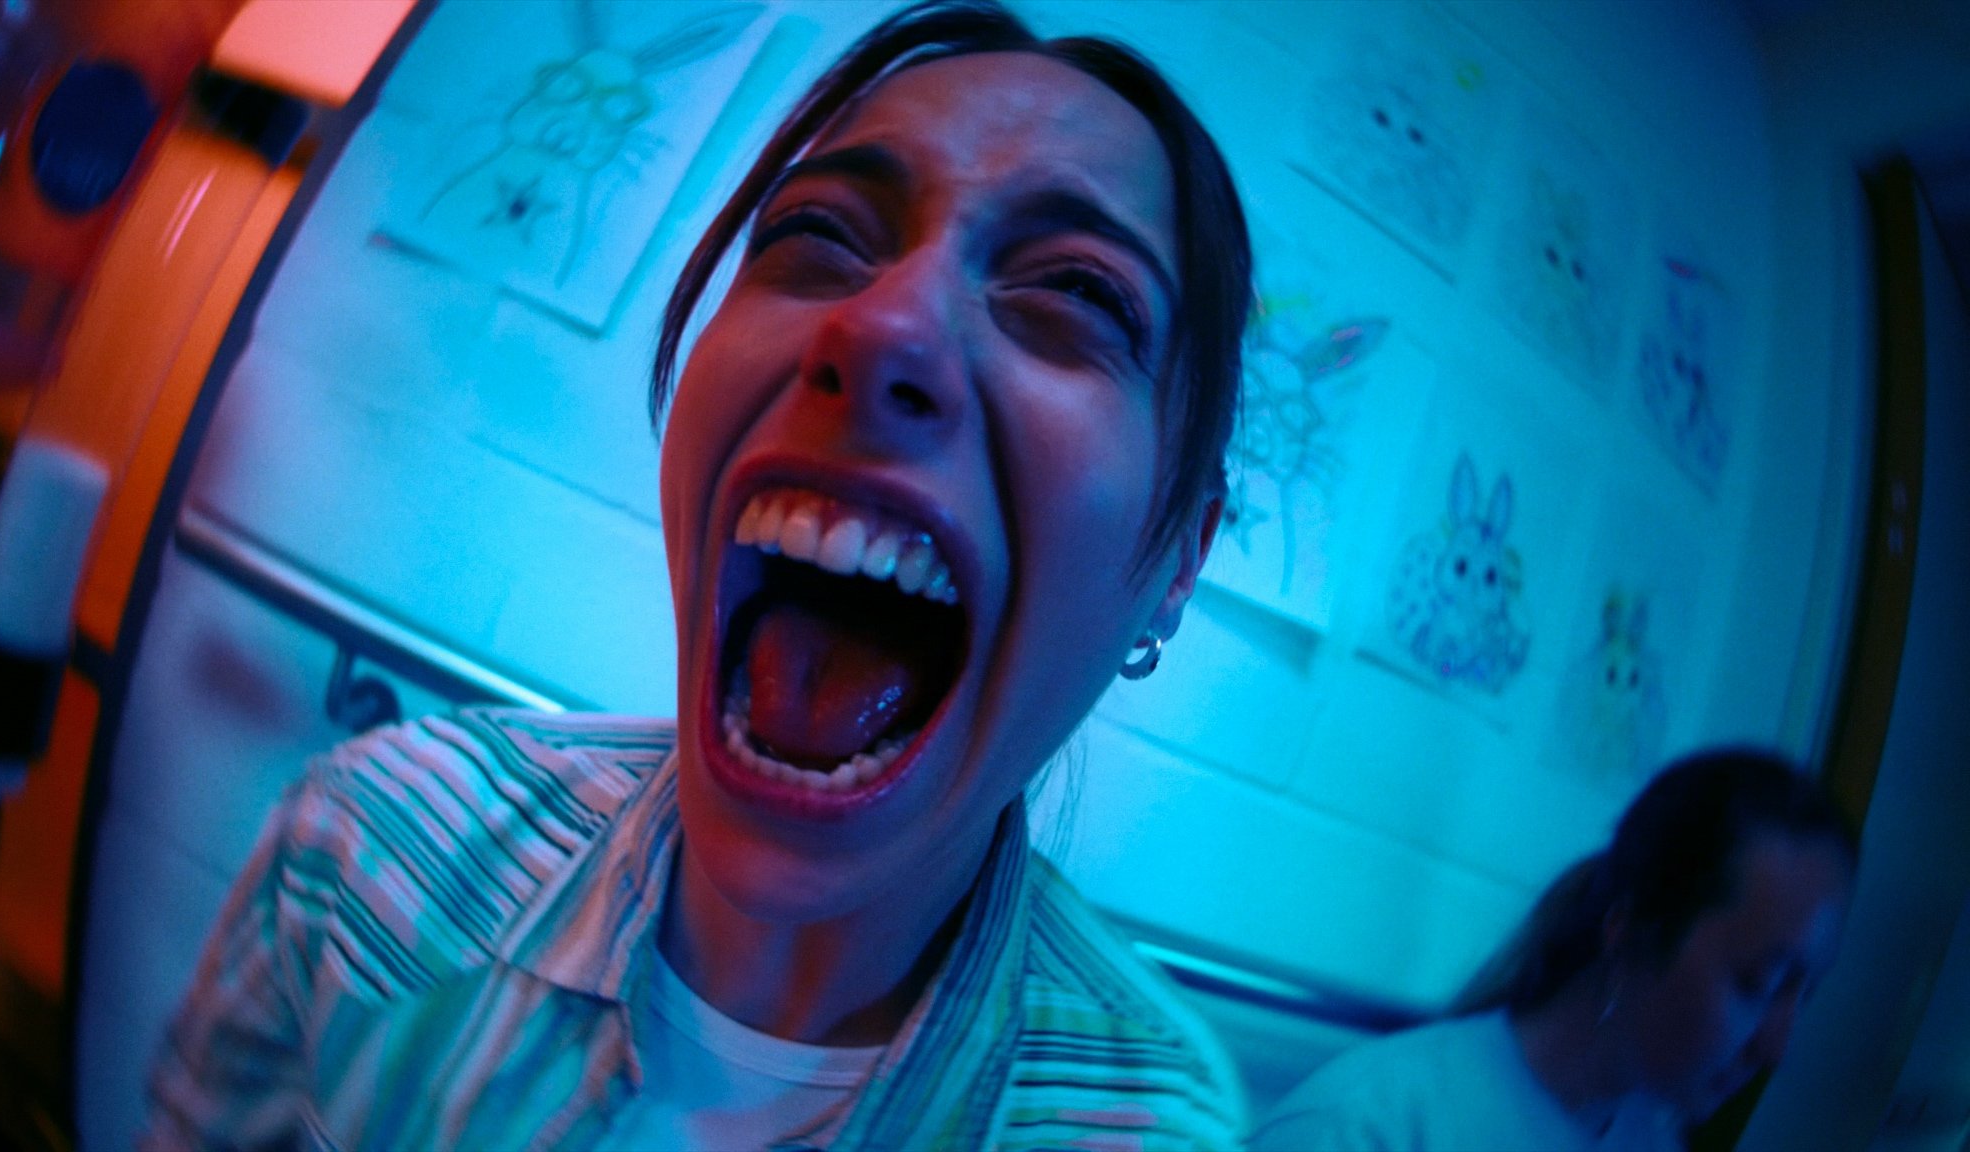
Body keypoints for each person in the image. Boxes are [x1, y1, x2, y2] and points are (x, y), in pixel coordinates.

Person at [144, 1, 1255, 1147]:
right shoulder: (368, 842)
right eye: (818, 232)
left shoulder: (1154, 1131)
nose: (883, 328)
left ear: (1178, 558)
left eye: (1077, 291)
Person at [1250, 749, 1857, 1152]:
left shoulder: (1648, 1135)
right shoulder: (1366, 1128)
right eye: (1758, 982)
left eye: (1805, 995)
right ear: (1630, 934)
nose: (1777, 1048)